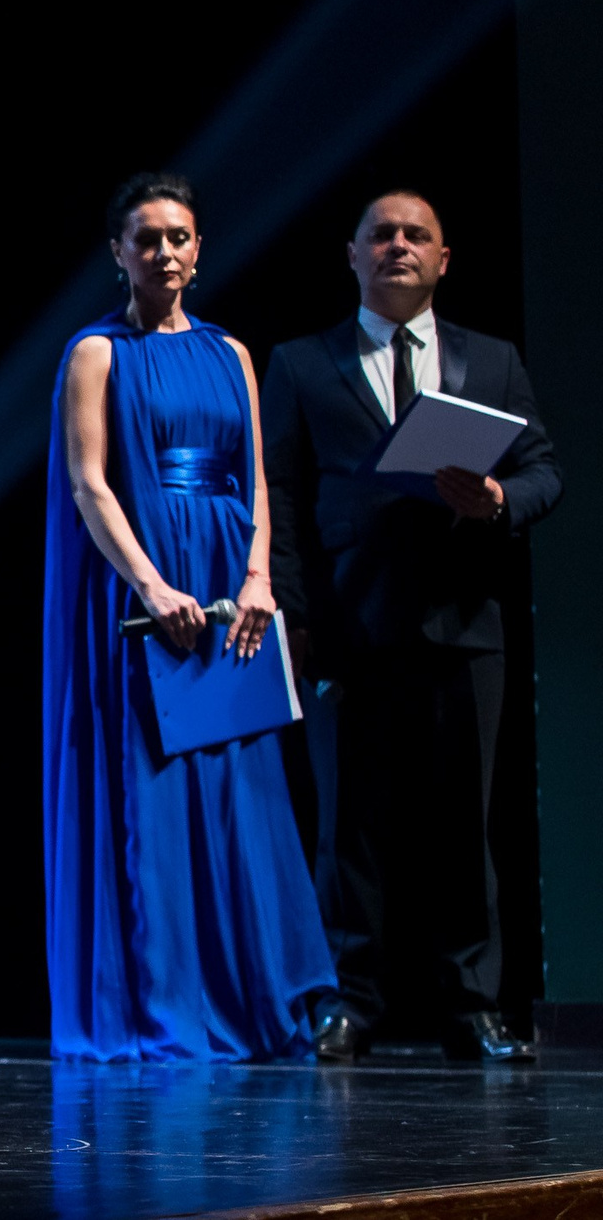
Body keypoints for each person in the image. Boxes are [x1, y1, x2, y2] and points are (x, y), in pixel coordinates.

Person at [263, 191, 561, 1062]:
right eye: (381, 235)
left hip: (464, 627)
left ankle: (471, 1006)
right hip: (351, 627)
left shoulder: (492, 360)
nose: (398, 246)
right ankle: (349, 1004)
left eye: (415, 236)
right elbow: (277, 495)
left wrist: (501, 498)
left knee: (464, 825)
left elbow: (544, 468)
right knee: (347, 825)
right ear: (351, 255)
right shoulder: (302, 362)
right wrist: (294, 613)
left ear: (443, 258)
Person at [44, 172, 335, 1060]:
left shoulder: (232, 354)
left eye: (178, 237)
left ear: (199, 249)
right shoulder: (96, 352)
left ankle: (261, 999)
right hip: (147, 587)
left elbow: (255, 481)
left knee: (241, 787)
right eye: (146, 238)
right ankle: (166, 1002)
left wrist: (257, 578)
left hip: (227, 589)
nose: (164, 251)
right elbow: (90, 484)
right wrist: (149, 584)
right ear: (119, 254)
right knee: (154, 792)